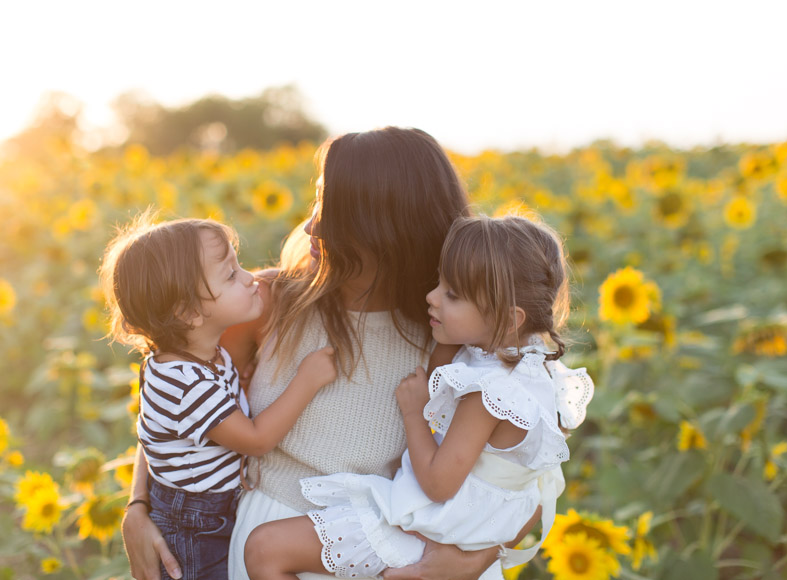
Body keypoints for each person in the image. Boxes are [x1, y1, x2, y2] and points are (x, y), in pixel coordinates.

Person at [122, 127, 539, 580]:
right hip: (267, 549)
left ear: (383, 227)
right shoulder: (267, 302)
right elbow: (182, 401)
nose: (310, 225)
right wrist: (138, 506)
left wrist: (470, 560)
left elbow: (525, 475)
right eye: (317, 201)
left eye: (330, 209)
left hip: (397, 557)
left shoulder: (459, 329)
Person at [242, 214, 595, 579]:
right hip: (468, 530)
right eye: (438, 282)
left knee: (265, 549)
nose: (431, 297)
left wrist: (413, 413)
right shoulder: (534, 366)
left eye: (452, 294)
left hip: (435, 530)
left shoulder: (491, 394)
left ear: (509, 320)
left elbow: (438, 484)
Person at [100, 215, 338, 580]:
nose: (250, 278)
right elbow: (256, 439)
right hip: (194, 527)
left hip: (209, 511)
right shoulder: (185, 383)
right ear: (188, 312)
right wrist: (307, 379)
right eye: (231, 275)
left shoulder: (203, 356)